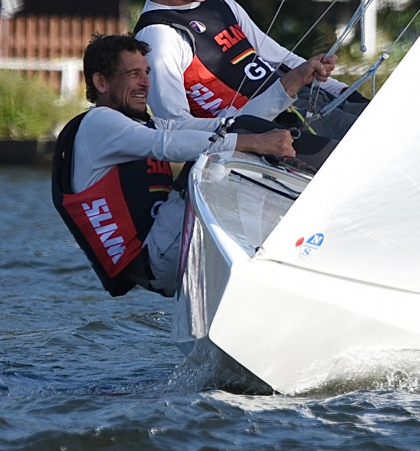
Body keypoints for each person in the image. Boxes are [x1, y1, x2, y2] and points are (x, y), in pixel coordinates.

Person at [50, 33, 294, 298]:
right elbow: (165, 145)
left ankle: (279, 247)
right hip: (154, 260)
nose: (146, 83)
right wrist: (253, 143)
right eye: (134, 74)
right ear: (102, 82)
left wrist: (291, 85)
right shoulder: (98, 123)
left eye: (146, 72)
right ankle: (293, 239)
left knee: (228, 139)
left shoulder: (149, 123)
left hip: (168, 247)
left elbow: (230, 123)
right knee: (212, 156)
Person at [133, 0, 366, 164]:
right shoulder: (158, 35)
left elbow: (280, 58)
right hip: (267, 143)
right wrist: (285, 88)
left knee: (389, 125)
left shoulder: (220, 1)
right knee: (366, 161)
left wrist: (344, 91)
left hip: (305, 106)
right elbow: (174, 129)